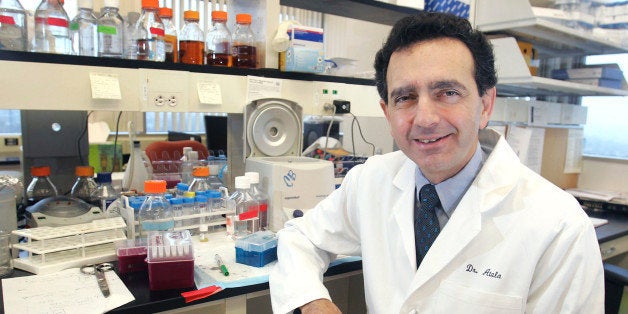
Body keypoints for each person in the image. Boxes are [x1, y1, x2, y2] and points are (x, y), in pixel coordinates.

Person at [269, 11, 604, 314]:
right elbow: (300, 237)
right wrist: (312, 302)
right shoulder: (371, 181)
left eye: (448, 93)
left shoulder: (559, 227)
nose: (425, 118)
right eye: (405, 98)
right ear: (388, 113)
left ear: (485, 105)